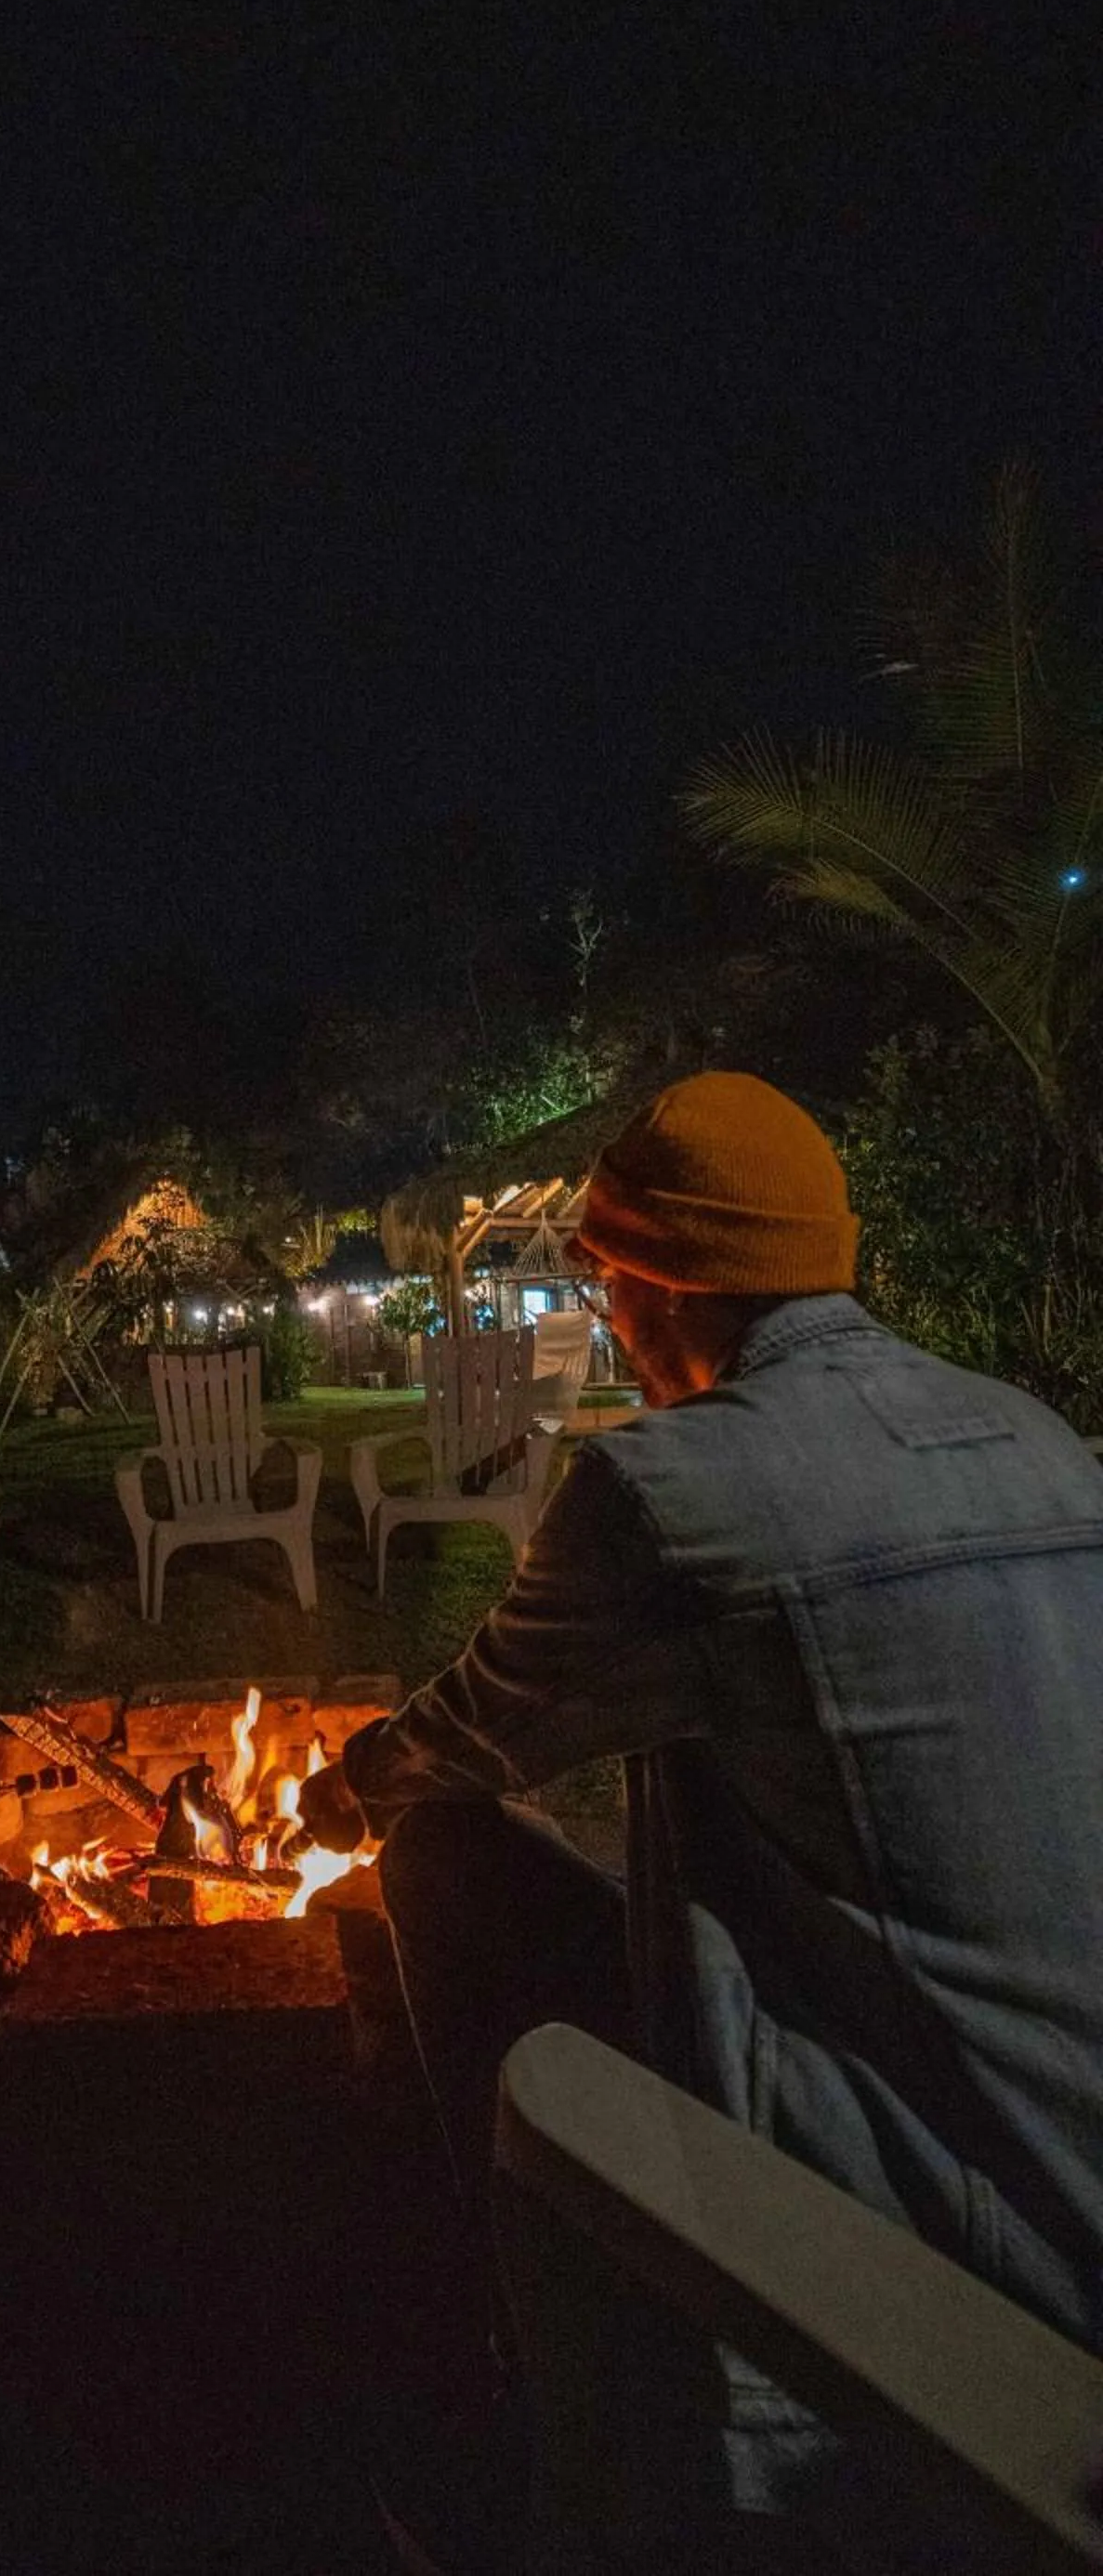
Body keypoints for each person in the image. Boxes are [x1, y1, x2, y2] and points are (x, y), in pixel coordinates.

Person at [302, 1072, 1103, 2560]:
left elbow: (477, 1730)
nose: (604, 1317)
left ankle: (543, 2378)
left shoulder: (673, 1487)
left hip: (949, 2202)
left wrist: (340, 1789)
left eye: (606, 1282)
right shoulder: (1042, 1439)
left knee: (445, 1859)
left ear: (666, 1279)